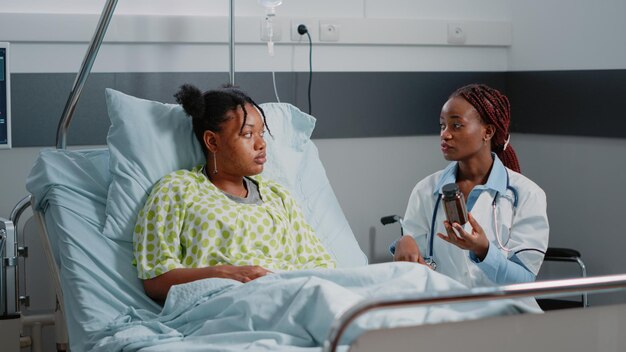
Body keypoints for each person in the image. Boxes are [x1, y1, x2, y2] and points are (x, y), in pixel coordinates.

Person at [133, 84, 336, 301]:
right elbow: (155, 279)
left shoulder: (279, 196)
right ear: (212, 141)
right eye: (248, 134)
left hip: (292, 295)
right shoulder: (177, 190)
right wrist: (224, 274)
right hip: (227, 301)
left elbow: (321, 266)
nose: (261, 144)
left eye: (261, 133)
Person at [391, 83, 549, 288]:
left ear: (488, 131)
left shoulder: (527, 194)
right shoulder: (425, 190)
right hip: (446, 311)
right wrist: (404, 244)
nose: (445, 134)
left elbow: (524, 280)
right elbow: (415, 265)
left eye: (456, 125)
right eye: (442, 125)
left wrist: (484, 251)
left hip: (502, 313)